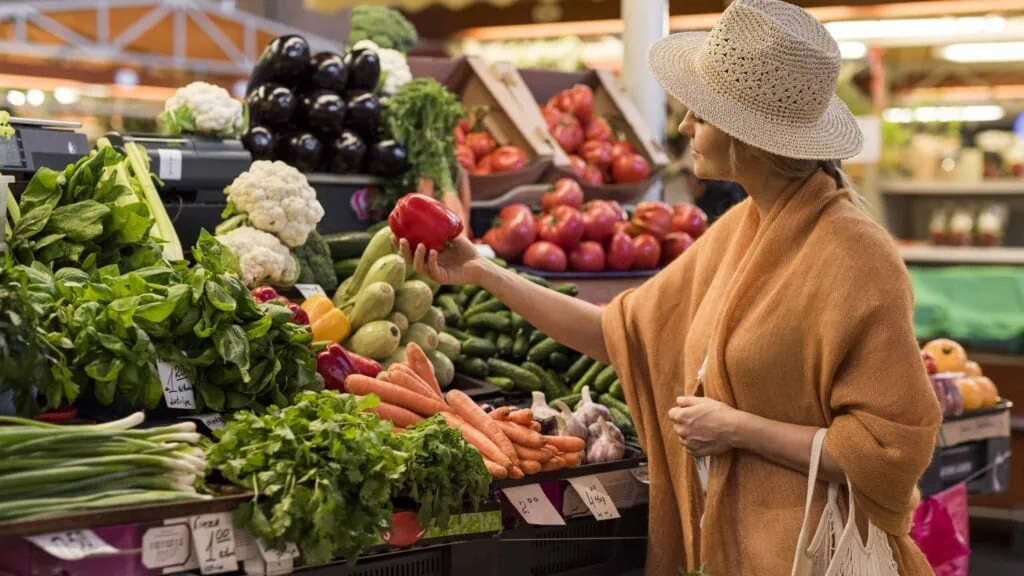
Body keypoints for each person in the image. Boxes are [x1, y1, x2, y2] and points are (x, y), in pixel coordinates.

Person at [397, 0, 940, 573]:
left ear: (747, 138)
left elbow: (890, 451)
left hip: (815, 558)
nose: (683, 126)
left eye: (700, 115)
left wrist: (738, 429)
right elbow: (618, 332)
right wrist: (482, 270)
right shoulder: (740, 231)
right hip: (733, 554)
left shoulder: (857, 256)